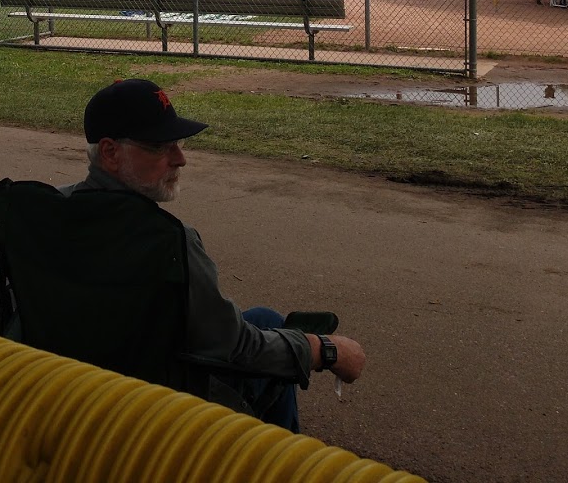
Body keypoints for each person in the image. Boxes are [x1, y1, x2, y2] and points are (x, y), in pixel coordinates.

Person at [62, 79, 365, 431]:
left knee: (265, 317)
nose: (180, 159)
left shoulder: (41, 211)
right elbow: (237, 348)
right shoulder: (169, 242)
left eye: (178, 143)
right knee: (272, 354)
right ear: (111, 152)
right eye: (160, 147)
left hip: (68, 391)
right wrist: (323, 349)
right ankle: (277, 456)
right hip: (151, 412)